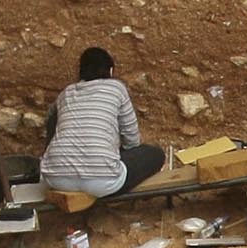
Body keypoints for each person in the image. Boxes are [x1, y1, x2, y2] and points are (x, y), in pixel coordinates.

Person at [40, 48, 165, 201]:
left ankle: (59, 164)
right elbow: (131, 140)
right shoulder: (116, 88)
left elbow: (50, 120)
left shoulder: (66, 93)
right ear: (110, 71)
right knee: (156, 154)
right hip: (103, 183)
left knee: (55, 116)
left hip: (56, 180)